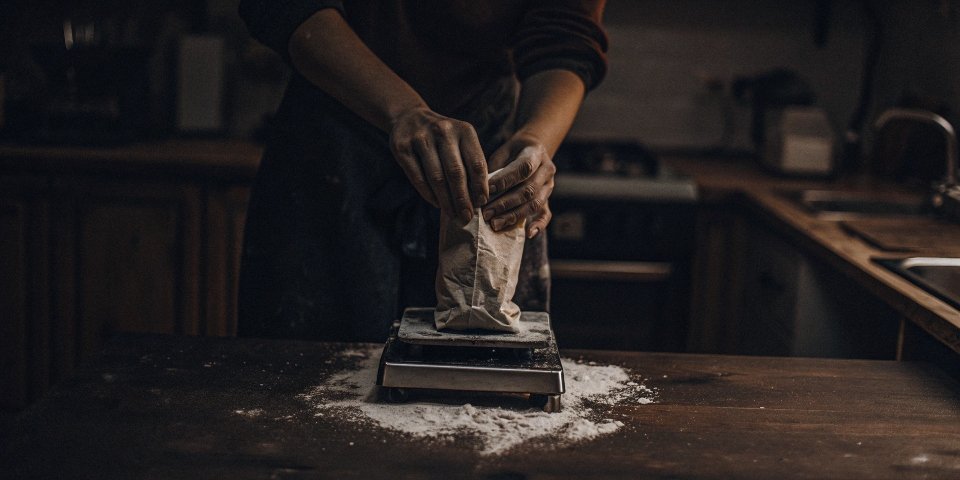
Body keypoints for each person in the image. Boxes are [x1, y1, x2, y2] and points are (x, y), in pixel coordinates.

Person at [237, 0, 608, 342]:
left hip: (488, 152)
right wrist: (402, 110)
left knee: (487, 370)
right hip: (332, 141)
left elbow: (565, 33)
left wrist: (535, 137)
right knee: (306, 371)